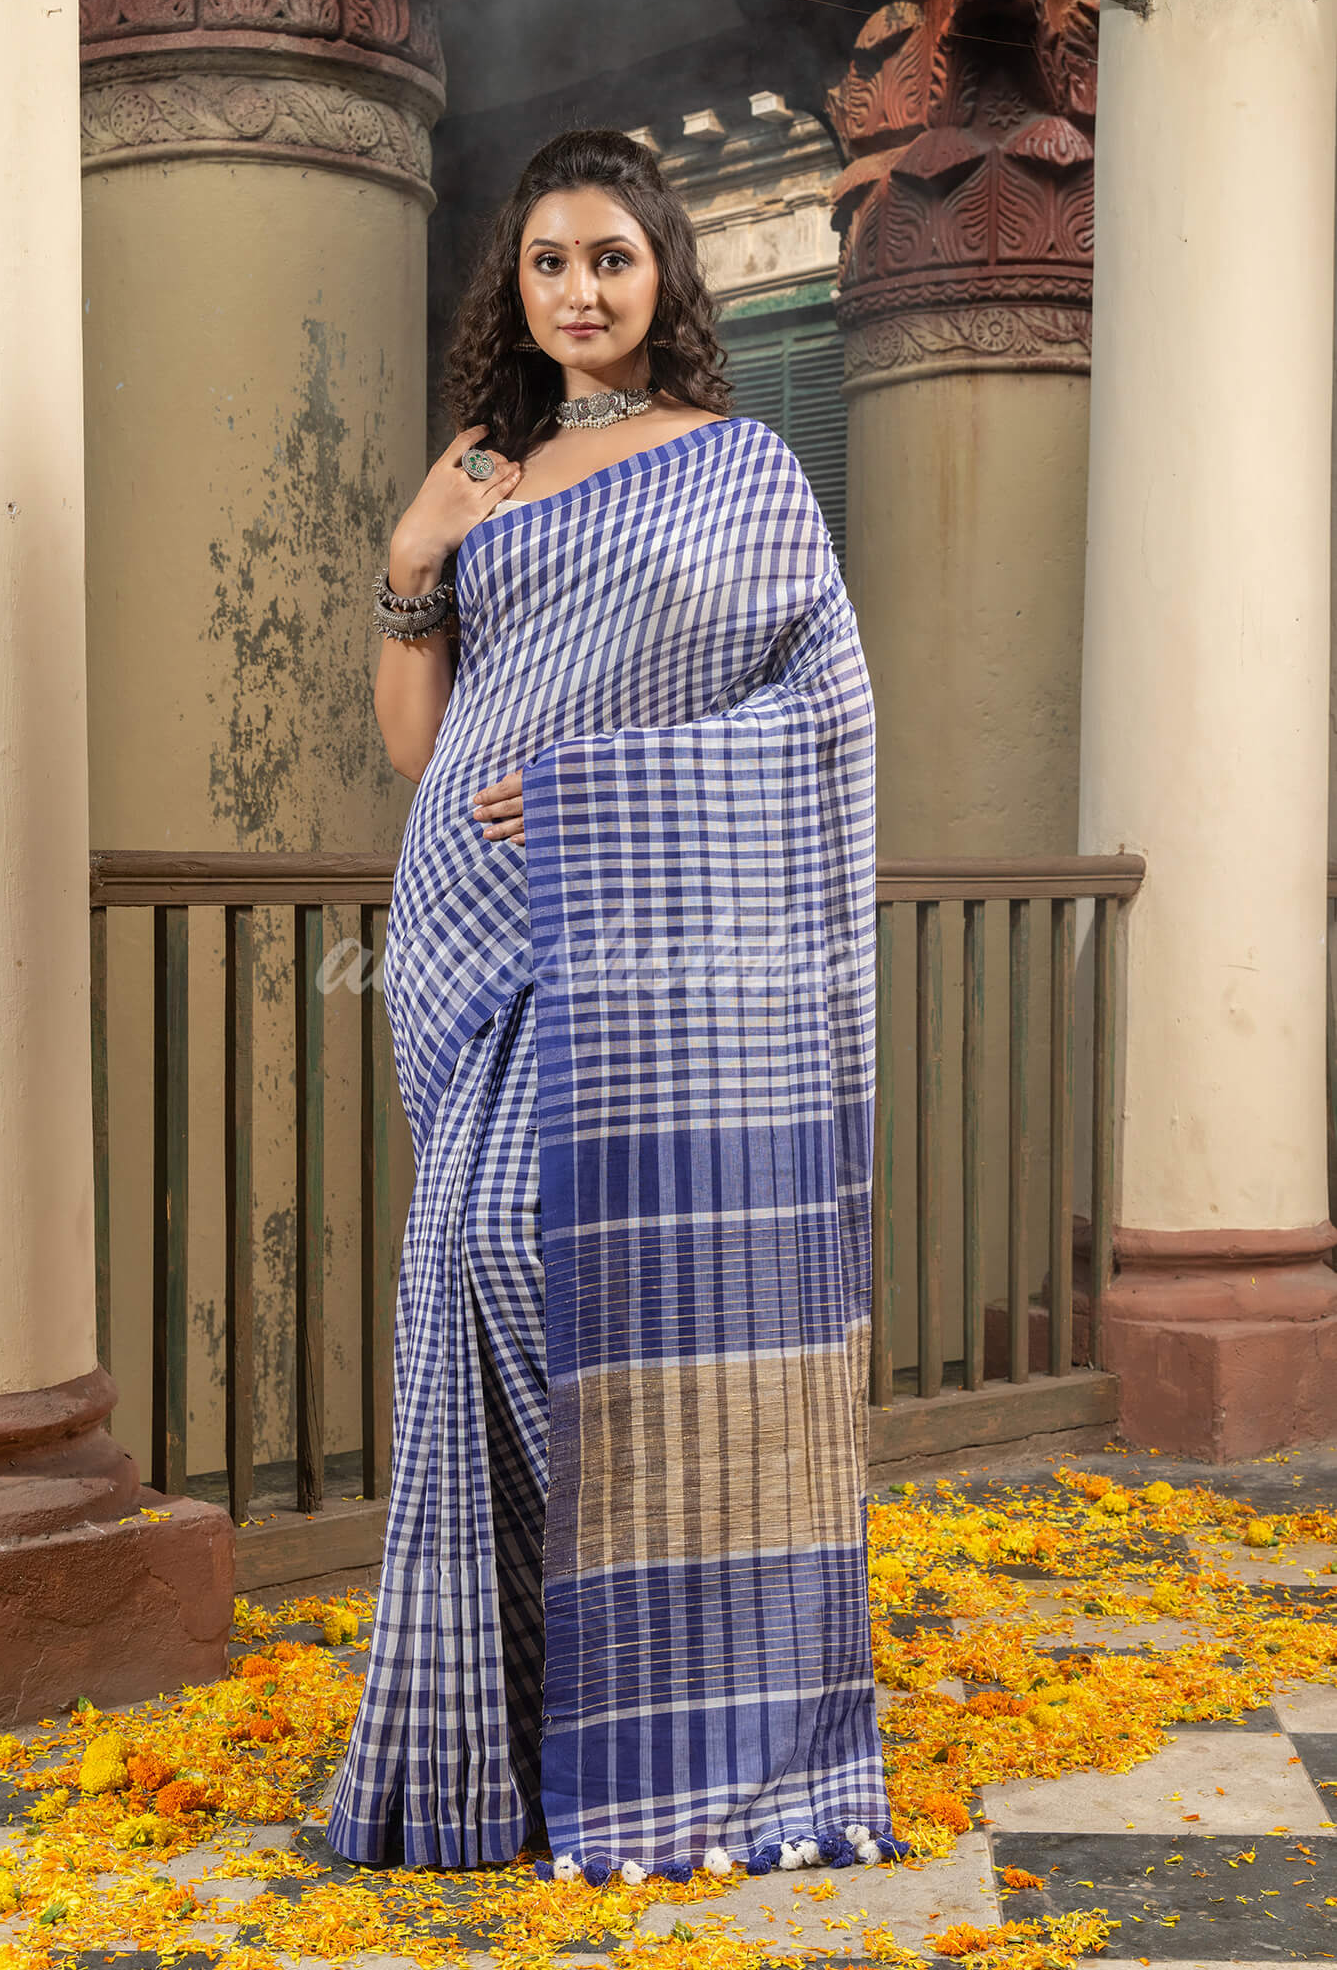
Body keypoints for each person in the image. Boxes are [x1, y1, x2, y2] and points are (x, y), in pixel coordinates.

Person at [326, 126, 904, 1887]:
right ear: (515, 290)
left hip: (651, 936)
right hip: (470, 924)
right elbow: (422, 750)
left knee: (587, 1265)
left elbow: (823, 723)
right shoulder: (484, 481)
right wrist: (415, 552)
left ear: (666, 277)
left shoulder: (744, 472)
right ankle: (504, 1724)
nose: (578, 292)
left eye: (611, 261)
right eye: (547, 264)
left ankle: (675, 1705)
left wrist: (602, 791)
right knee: (473, 1264)